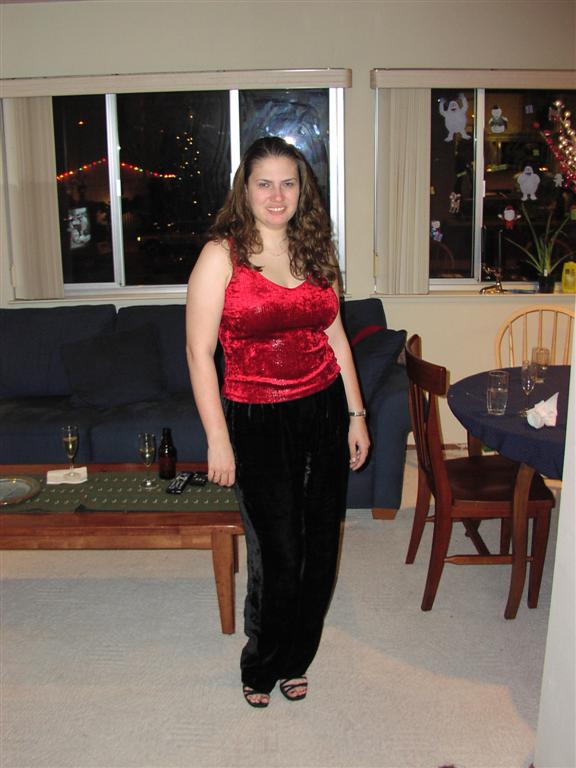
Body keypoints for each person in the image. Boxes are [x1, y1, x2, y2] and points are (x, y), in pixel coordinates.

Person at [186, 136, 370, 708]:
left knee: (321, 548)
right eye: (264, 183)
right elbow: (198, 353)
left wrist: (356, 414)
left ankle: (297, 658)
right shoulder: (222, 256)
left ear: (301, 189)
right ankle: (262, 662)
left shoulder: (316, 249)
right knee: (279, 551)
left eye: (288, 183)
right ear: (244, 190)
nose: (276, 195)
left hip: (324, 409)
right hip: (257, 417)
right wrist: (218, 438)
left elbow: (336, 335)